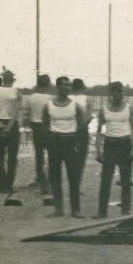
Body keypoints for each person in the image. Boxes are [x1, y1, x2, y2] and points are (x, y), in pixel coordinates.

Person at [42, 75, 84, 218]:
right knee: (55, 176)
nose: (67, 88)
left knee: (73, 176)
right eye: (64, 85)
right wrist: (50, 140)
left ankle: (75, 209)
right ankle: (58, 209)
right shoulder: (48, 105)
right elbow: (45, 124)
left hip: (70, 141)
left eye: (69, 85)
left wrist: (75, 141)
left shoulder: (75, 106)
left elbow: (82, 125)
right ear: (57, 87)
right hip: (54, 141)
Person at [96, 81, 133, 217]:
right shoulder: (104, 109)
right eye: (117, 91)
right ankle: (102, 212)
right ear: (112, 93)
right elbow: (98, 132)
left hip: (125, 144)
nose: (120, 94)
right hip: (110, 145)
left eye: (122, 91)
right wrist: (98, 151)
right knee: (106, 180)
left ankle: (126, 210)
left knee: (126, 180)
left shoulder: (129, 108)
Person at [25, 74, 52, 192]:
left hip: (36, 127)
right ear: (47, 84)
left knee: (39, 154)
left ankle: (39, 178)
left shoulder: (31, 97)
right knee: (51, 154)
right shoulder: (51, 98)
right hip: (48, 127)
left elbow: (28, 114)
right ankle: (50, 178)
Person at [70, 79, 92, 186]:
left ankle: (73, 182)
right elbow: (89, 116)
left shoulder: (68, 98)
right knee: (81, 156)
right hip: (81, 129)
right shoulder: (86, 98)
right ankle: (77, 182)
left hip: (71, 129)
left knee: (72, 157)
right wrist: (83, 124)